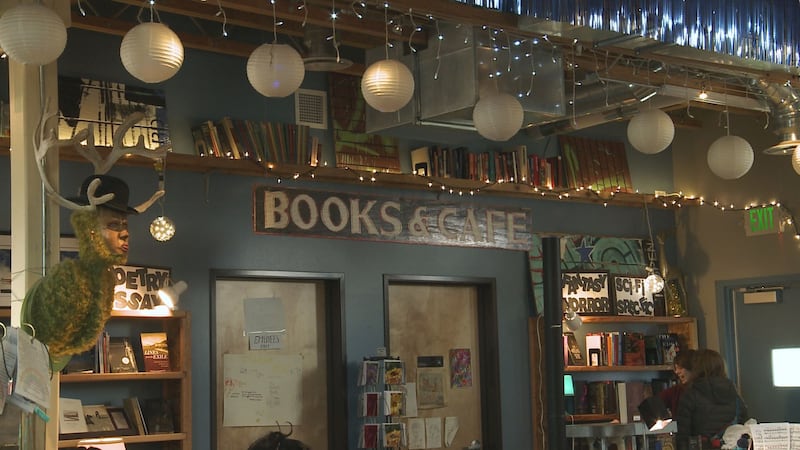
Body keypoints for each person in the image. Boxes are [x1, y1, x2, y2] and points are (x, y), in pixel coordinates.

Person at [675, 349, 749, 449]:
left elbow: (682, 437)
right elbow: (744, 424)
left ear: (696, 368)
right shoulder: (733, 392)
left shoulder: (690, 395)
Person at [658, 349, 696, 417]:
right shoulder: (676, 391)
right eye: (676, 368)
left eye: (680, 368)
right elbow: (654, 405)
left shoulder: (706, 390)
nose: (677, 372)